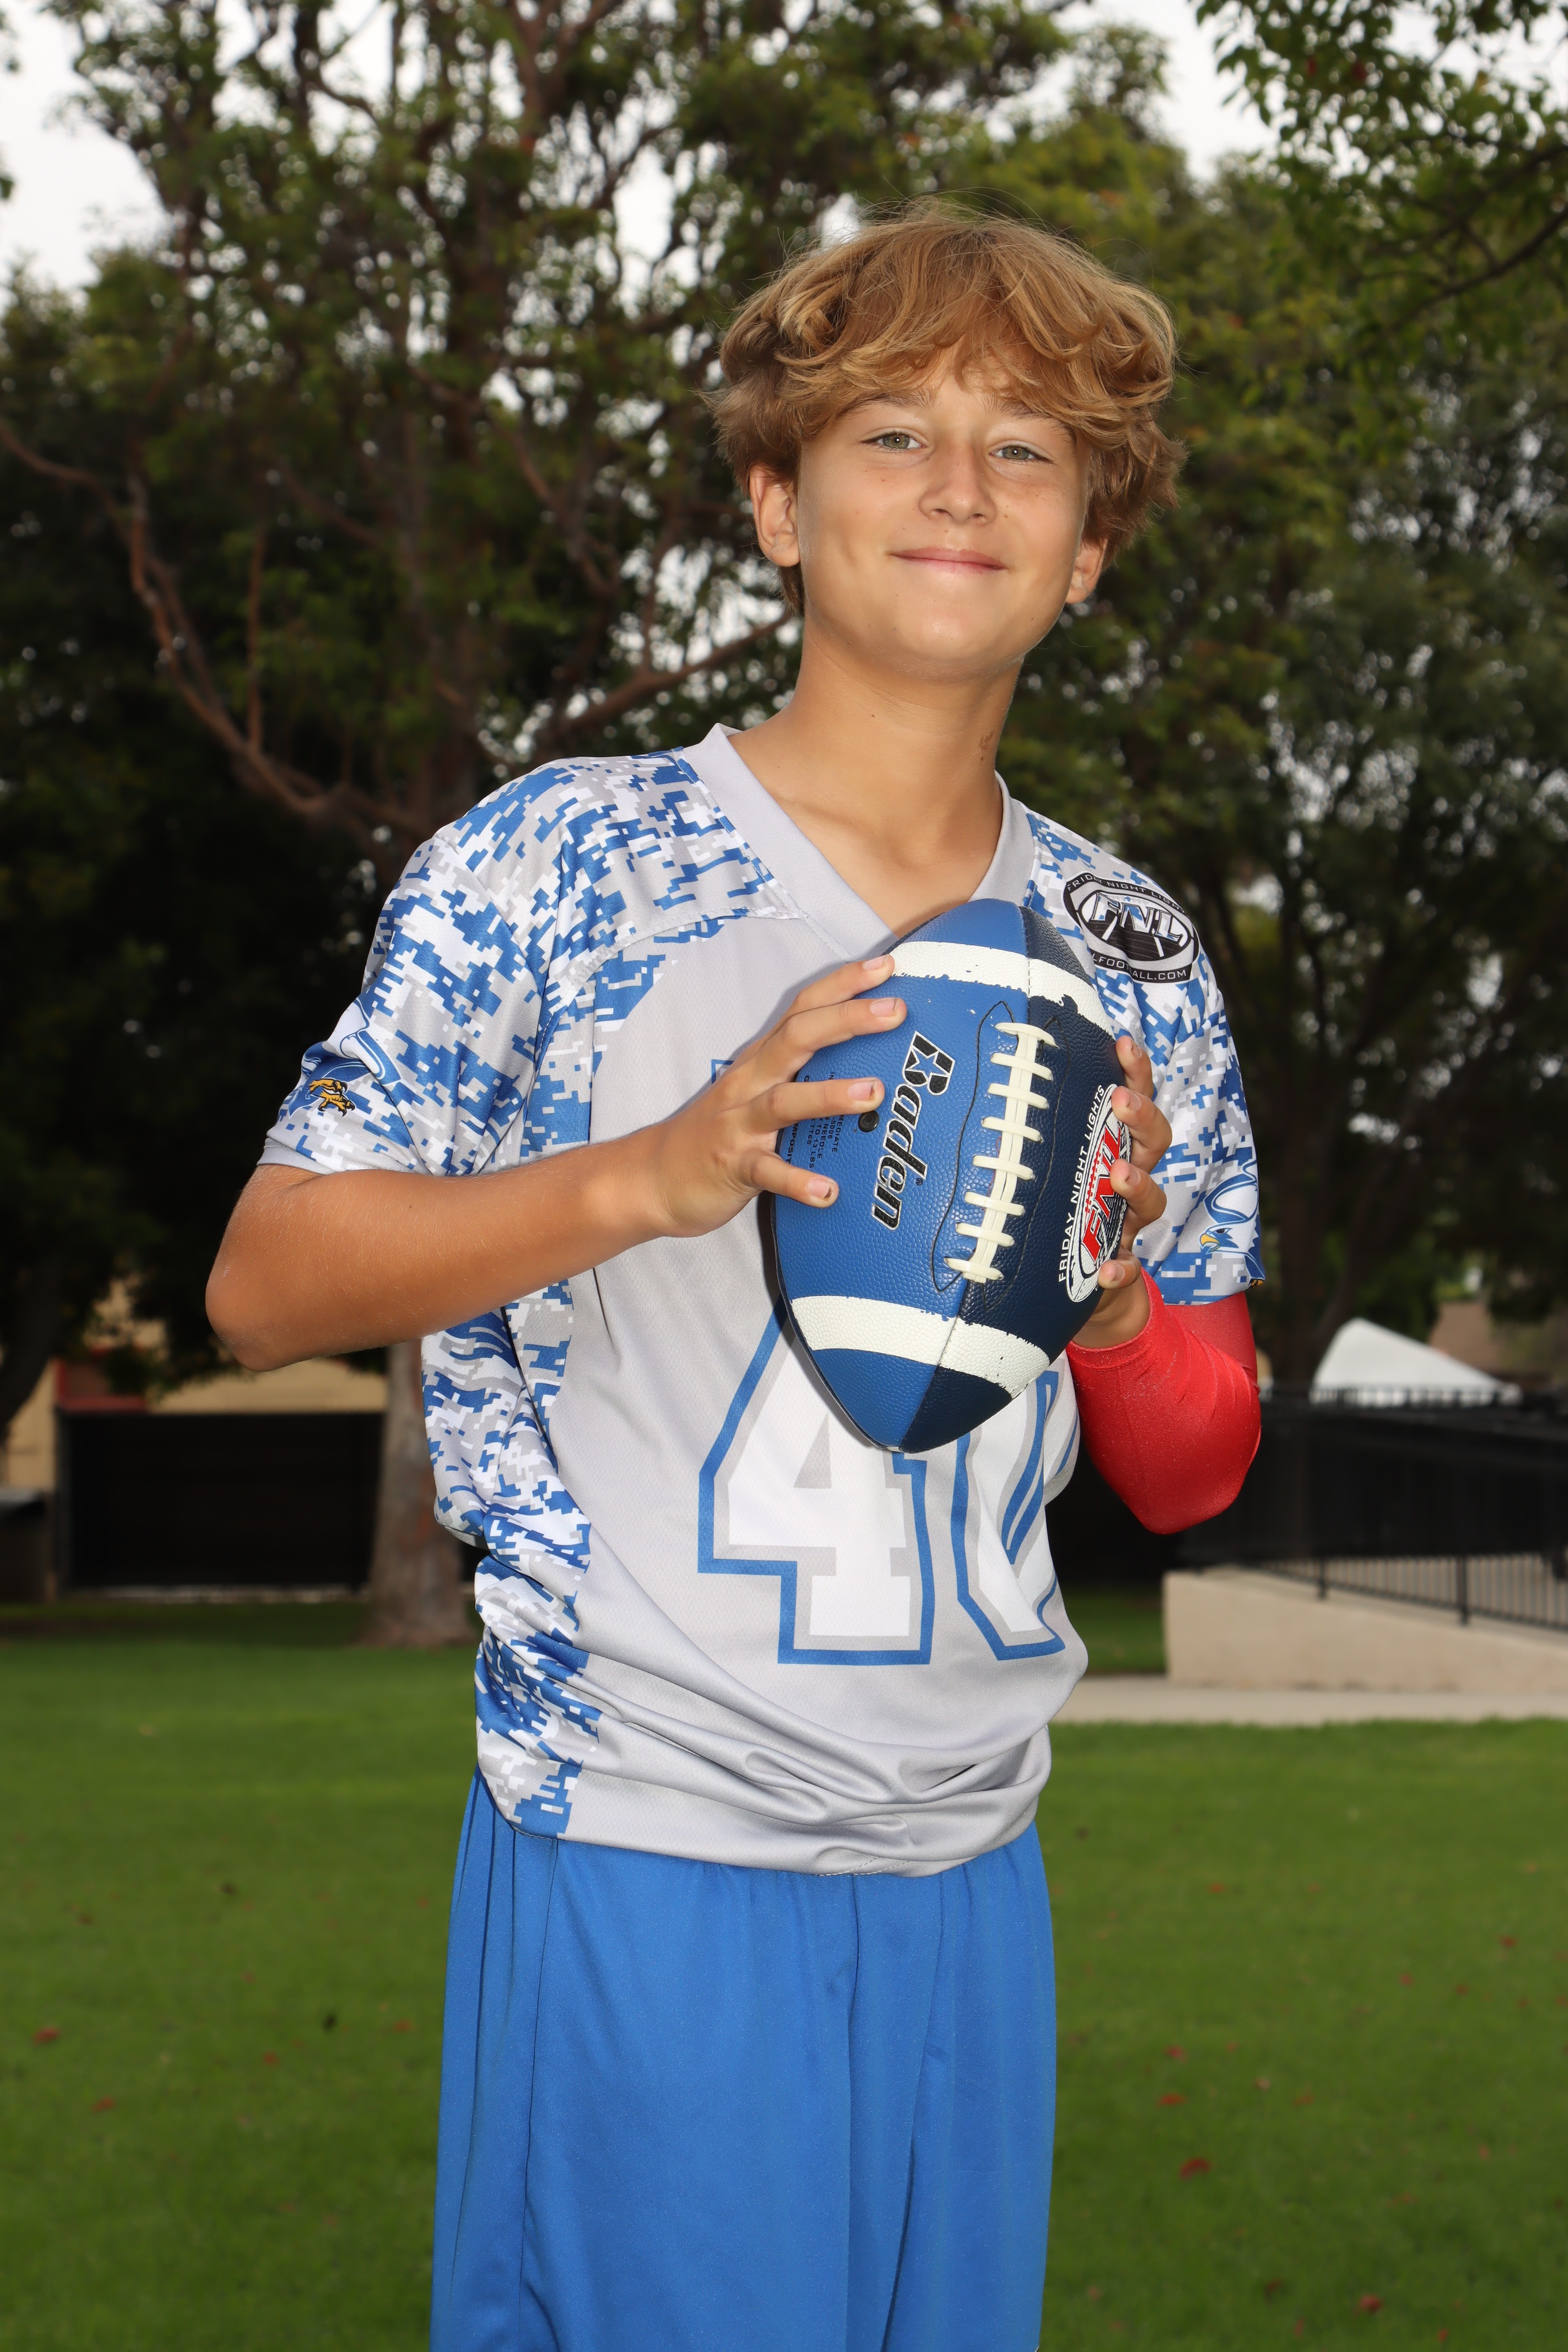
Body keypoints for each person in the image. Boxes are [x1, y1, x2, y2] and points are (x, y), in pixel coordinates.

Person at [208, 206, 1262, 2352]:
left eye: (1027, 449)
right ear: (777, 506)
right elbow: (263, 1284)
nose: (959, 485)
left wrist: (1117, 1297)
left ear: (1089, 552)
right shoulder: (560, 863)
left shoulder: (1132, 953)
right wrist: (660, 1169)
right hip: (648, 1835)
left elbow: (1192, 1472)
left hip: (974, 1860)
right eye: (892, 432)